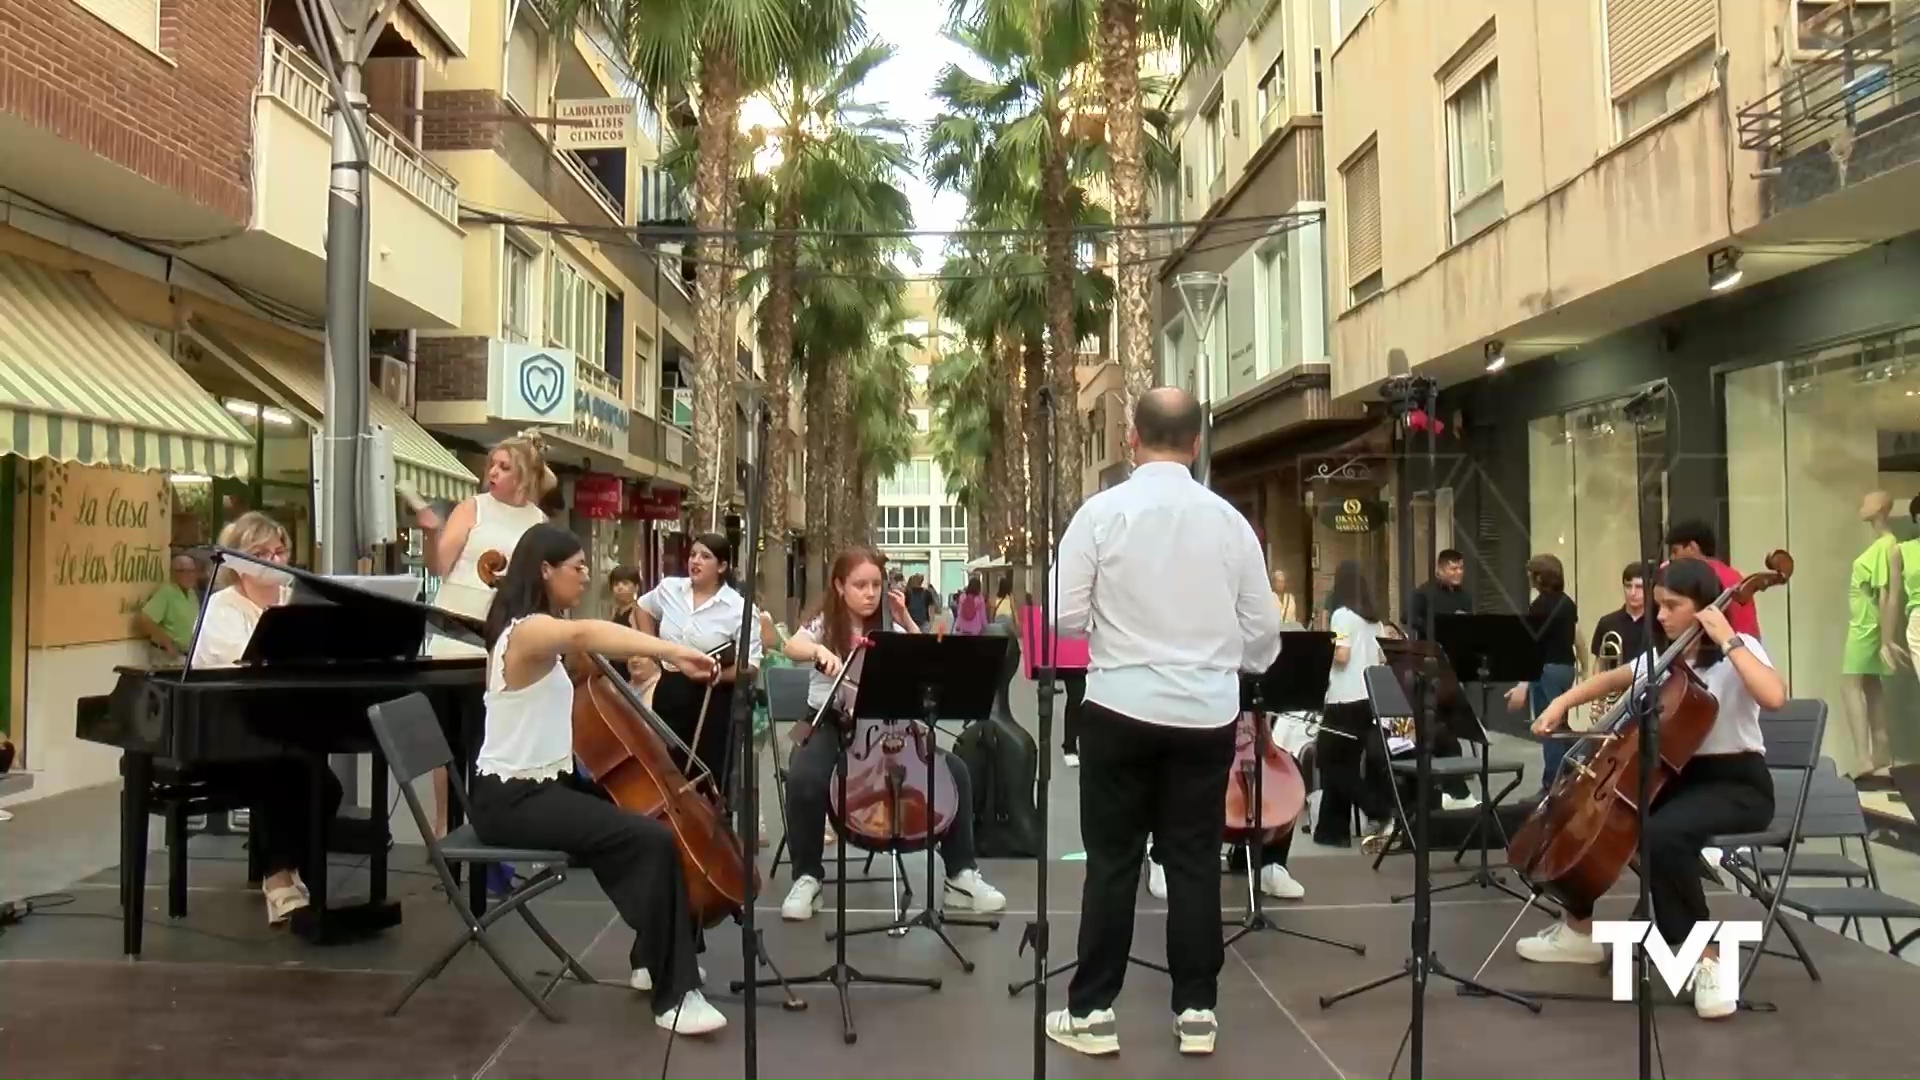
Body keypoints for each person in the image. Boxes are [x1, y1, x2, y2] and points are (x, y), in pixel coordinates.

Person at [1045, 387, 1280, 1058]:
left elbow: (1060, 615)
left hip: (1119, 709)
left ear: (1130, 440)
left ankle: (1092, 1013)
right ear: (1198, 442)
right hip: (1205, 715)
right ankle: (1198, 1011)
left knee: (1114, 863)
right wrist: (1228, 664)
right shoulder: (1231, 523)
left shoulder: (1101, 513)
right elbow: (1262, 634)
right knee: (1194, 863)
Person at [463, 523, 727, 1034]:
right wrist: (670, 651)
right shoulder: (525, 630)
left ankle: (655, 958)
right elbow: (583, 634)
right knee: (647, 838)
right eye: (577, 567)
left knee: (651, 830)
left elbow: (581, 655)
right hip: (512, 801)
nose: (587, 576)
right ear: (544, 571)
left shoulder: (538, 629)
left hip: (545, 787)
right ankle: (674, 997)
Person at [1517, 557, 1780, 1021]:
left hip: (1739, 785)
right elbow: (1613, 678)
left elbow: (1774, 697)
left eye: (1671, 606)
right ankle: (1578, 932)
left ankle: (1707, 959)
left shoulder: (1743, 652)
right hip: (1684, 779)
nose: (1659, 616)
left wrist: (1728, 637)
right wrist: (1560, 702)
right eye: (1658, 605)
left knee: (1660, 834)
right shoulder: (1669, 660)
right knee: (1607, 825)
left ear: (1703, 607)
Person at [776, 545, 1007, 922]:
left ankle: (961, 876)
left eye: (876, 585)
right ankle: (807, 878)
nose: (870, 594)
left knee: (956, 773)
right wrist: (819, 652)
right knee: (804, 777)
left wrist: (906, 620)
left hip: (887, 722)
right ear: (839, 586)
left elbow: (925, 661)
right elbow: (792, 645)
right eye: (860, 585)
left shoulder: (889, 623)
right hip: (830, 719)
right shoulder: (826, 621)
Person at [193, 512, 343, 926]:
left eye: (280, 551)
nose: (275, 560)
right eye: (261, 553)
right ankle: (277, 877)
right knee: (282, 774)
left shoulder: (294, 602)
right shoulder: (221, 609)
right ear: (237, 561)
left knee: (324, 786)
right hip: (223, 730)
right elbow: (245, 665)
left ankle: (288, 867)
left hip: (280, 722)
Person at [413, 431, 554, 849]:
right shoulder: (472, 508)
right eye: (491, 465)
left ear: (524, 476)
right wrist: (429, 533)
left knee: (490, 738)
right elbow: (440, 565)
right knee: (449, 737)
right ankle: (444, 826)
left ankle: (488, 826)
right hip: (456, 634)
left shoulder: (538, 523)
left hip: (503, 643)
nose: (492, 472)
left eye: (504, 466)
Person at [629, 533, 761, 794]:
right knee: (665, 766)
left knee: (707, 774)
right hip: (670, 687)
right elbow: (642, 608)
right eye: (692, 555)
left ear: (721, 567)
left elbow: (751, 665)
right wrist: (650, 650)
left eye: (705, 556)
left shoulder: (739, 608)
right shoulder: (670, 588)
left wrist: (714, 675)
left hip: (712, 696)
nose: (695, 561)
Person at [1310, 560, 1404, 854]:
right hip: (1367, 698)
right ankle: (1330, 830)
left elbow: (1341, 656)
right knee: (1346, 763)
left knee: (1328, 760)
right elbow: (1380, 659)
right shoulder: (1374, 621)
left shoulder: (1342, 616)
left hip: (1343, 698)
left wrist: (1320, 647)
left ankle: (1380, 810)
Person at [1506, 554, 1583, 790]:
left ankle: (1552, 781)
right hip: (1566, 668)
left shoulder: (1539, 606)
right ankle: (1571, 766)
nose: (1529, 579)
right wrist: (1584, 665)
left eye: (1531, 575)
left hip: (1547, 670)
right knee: (1559, 722)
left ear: (1540, 576)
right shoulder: (1567, 603)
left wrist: (1522, 683)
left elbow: (1533, 647)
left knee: (1547, 724)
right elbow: (1577, 637)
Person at [1665, 520, 1760, 638]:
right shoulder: (1732, 573)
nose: (1672, 558)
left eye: (1675, 551)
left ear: (1692, 547)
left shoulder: (1698, 576)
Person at [135, 553, 204, 658]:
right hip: (168, 655)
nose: (191, 575)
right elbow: (144, 619)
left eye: (192, 571)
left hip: (188, 655)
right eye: (185, 571)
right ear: (174, 573)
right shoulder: (166, 592)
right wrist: (166, 643)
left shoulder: (191, 593)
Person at [1407, 549, 1470, 640]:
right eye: (1453, 569)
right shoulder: (1425, 592)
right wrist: (1433, 627)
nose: (1459, 572)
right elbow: (1407, 616)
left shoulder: (1465, 596)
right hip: (1430, 649)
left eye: (1461, 568)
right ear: (1440, 570)